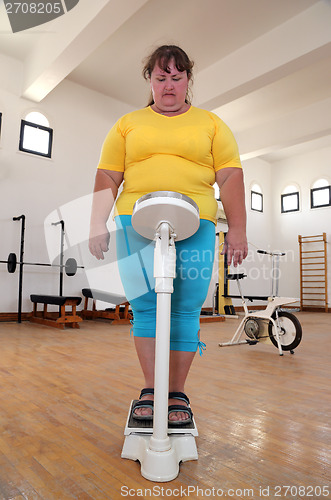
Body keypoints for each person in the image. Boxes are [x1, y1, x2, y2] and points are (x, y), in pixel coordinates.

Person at [89, 45, 247, 425]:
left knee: (186, 307)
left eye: (177, 77)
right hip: (135, 220)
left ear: (188, 79)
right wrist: (97, 223)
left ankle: (175, 393)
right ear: (150, 81)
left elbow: (229, 175)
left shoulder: (211, 123)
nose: (169, 86)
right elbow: (109, 175)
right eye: (162, 78)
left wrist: (238, 230)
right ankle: (151, 389)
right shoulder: (128, 124)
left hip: (196, 223)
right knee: (144, 305)